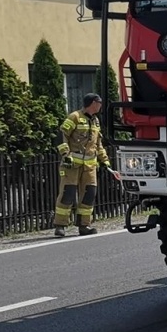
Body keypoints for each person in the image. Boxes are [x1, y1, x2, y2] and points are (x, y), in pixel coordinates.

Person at [55, 93, 111, 237]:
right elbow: (61, 135)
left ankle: (84, 225)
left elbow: (97, 144)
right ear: (93, 103)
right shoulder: (75, 117)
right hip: (72, 165)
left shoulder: (96, 121)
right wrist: (65, 155)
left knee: (89, 195)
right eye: (99, 102)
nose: (101, 105)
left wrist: (104, 161)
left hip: (90, 167)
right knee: (67, 193)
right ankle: (60, 225)